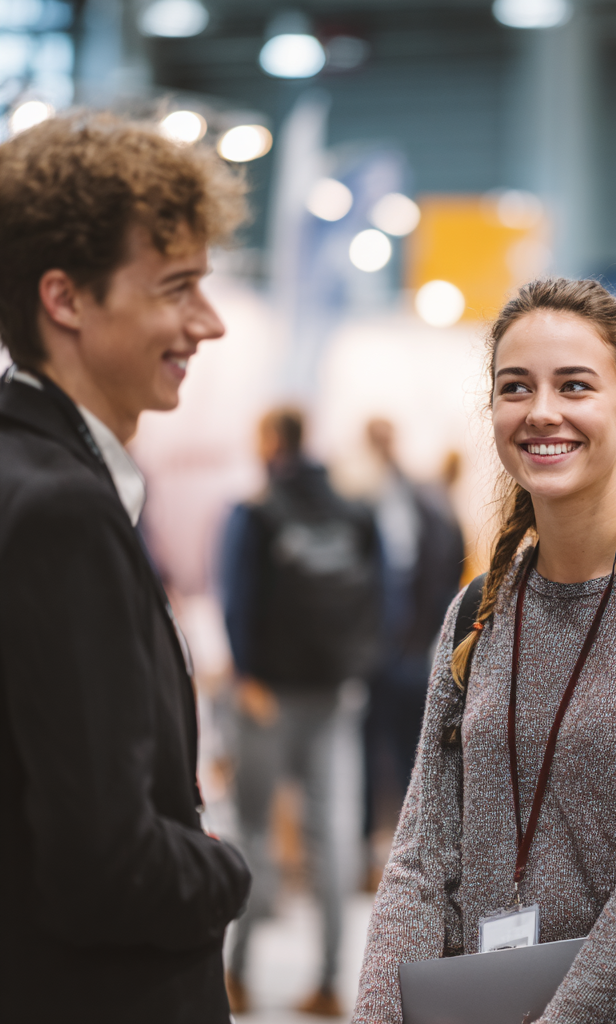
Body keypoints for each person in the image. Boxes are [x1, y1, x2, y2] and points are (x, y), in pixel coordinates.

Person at [354, 278, 616, 1023]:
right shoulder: (478, 608)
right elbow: (420, 856)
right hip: (473, 1002)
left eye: (574, 386)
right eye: (516, 388)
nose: (542, 411)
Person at [0, 115, 251, 1022]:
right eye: (176, 287)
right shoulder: (59, 510)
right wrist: (225, 866)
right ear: (65, 299)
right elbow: (103, 864)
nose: (209, 322)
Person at [220, 407, 381, 1017]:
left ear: (268, 440)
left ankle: (238, 975)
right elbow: (381, 598)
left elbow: (236, 599)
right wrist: (354, 671)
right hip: (335, 692)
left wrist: (245, 673)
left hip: (266, 696)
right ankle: (331, 981)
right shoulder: (352, 508)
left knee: (256, 832)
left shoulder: (256, 511)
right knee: (333, 836)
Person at [361, 417, 464, 882]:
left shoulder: (387, 500)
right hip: (413, 650)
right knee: (406, 755)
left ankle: (392, 853)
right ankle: (401, 854)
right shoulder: (423, 502)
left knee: (389, 755)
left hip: (395, 655)